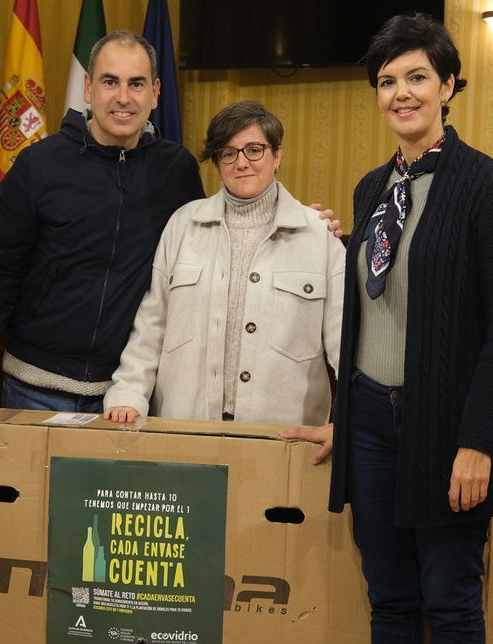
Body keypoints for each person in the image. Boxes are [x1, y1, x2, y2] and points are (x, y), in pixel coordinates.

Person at [282, 14, 493, 644]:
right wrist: (344, 415)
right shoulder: (372, 189)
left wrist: (478, 440)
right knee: (389, 597)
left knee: (449, 598)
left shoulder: (491, 188)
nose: (402, 93)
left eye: (417, 77)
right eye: (387, 81)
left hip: (447, 426)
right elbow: (368, 307)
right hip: (367, 423)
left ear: (448, 85)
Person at [0, 31, 205, 412]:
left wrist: (316, 228)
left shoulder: (177, 170)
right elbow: (3, 270)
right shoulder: (38, 167)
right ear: (88, 88)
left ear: (155, 91)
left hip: (130, 392)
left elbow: (210, 250)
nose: (123, 97)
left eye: (136, 84)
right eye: (109, 81)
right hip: (36, 389)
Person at [102, 101, 345, 426]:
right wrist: (129, 395)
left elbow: (344, 343)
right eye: (228, 153)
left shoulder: (319, 235)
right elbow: (151, 323)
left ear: (277, 155)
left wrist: (350, 427)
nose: (241, 162)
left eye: (254, 150)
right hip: (186, 429)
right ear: (216, 162)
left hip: (285, 436)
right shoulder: (183, 225)